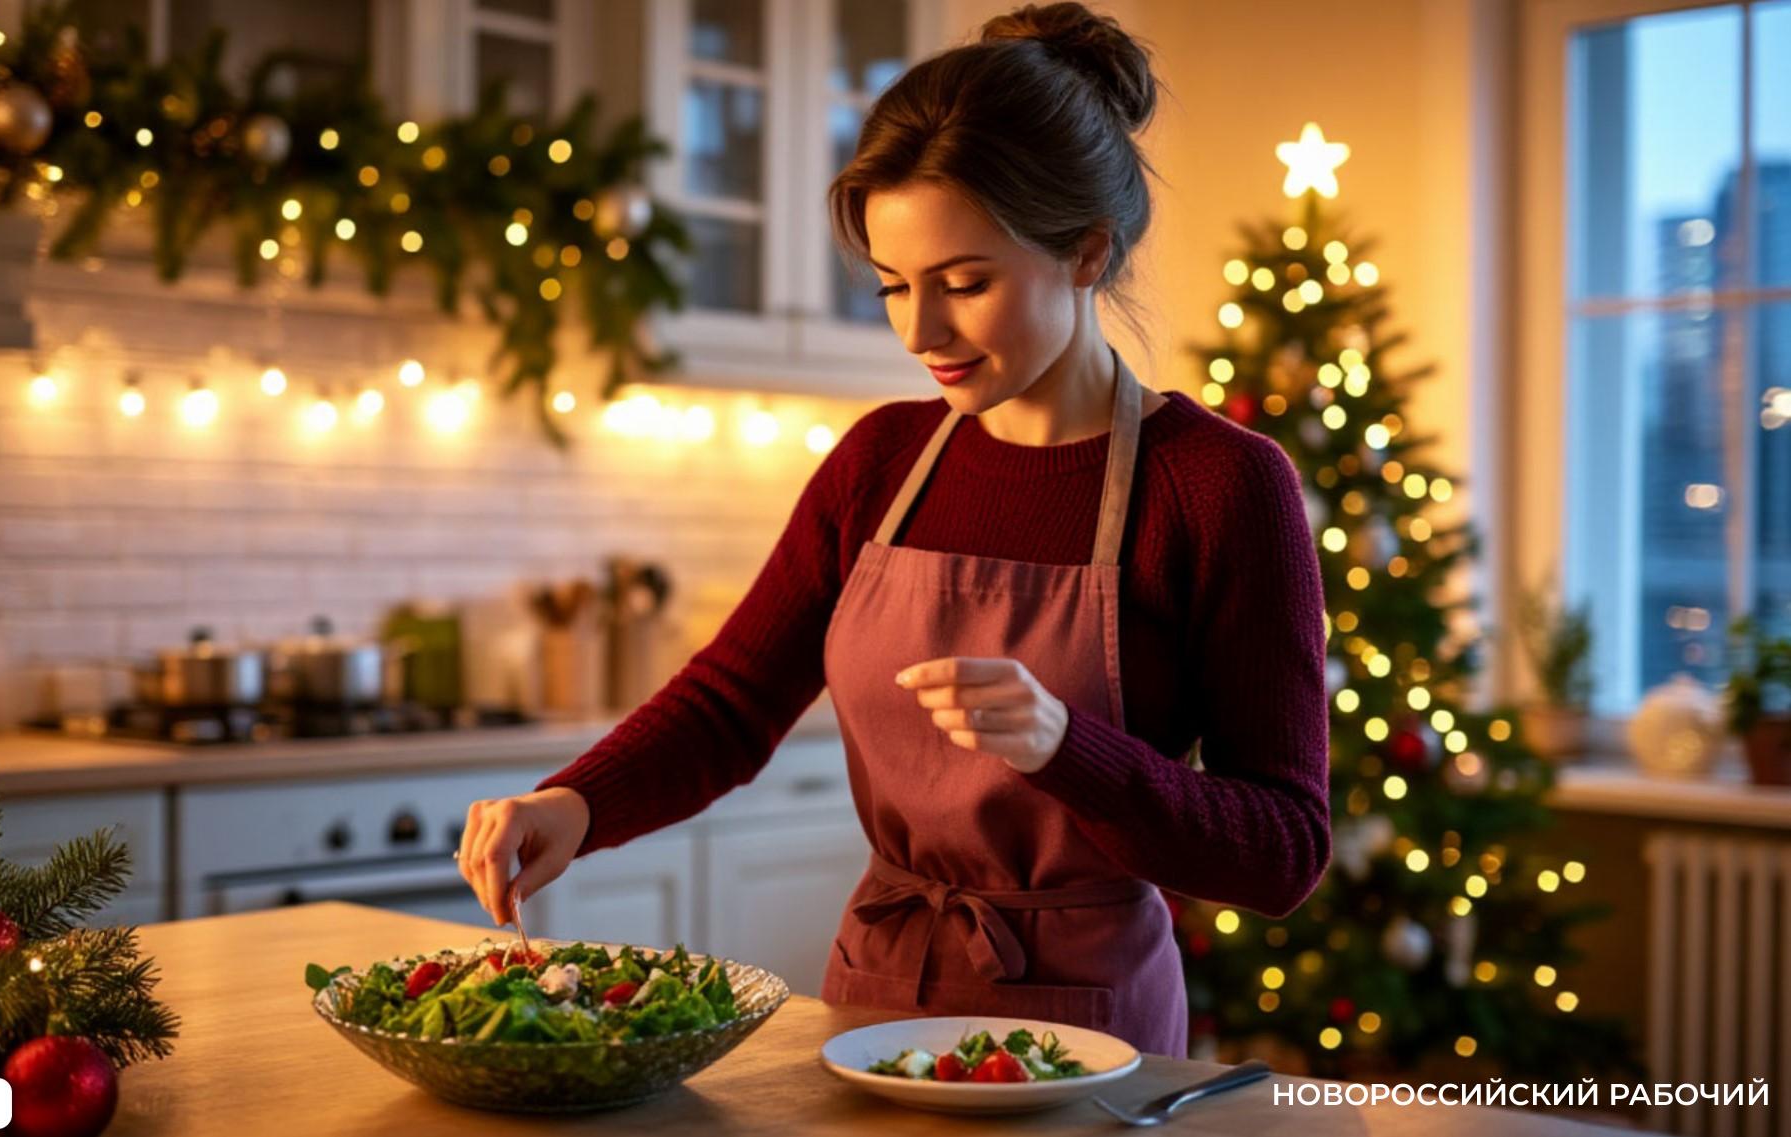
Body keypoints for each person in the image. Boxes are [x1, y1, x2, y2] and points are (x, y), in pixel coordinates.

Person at [457, 1, 1329, 1056]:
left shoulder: (1216, 486)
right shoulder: (881, 460)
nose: (920, 332)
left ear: (1087, 254)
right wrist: (574, 805)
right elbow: (733, 701)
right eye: (891, 286)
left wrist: (1065, 748)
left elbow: (1281, 851)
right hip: (872, 1002)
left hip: (1085, 1042)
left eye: (965, 284)